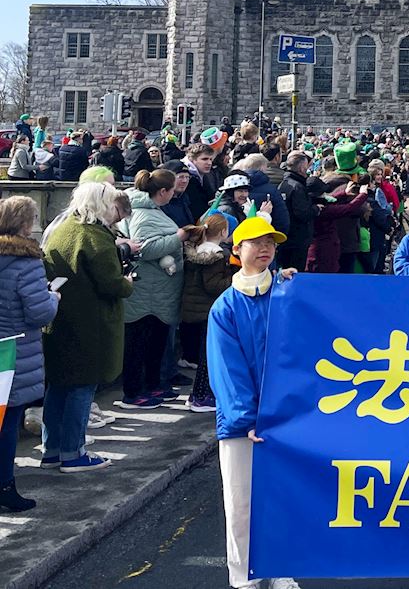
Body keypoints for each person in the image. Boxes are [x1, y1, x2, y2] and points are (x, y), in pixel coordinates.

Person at [206, 216, 302, 589]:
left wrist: (299, 287)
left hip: (286, 418)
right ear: (236, 250)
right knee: (242, 504)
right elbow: (227, 372)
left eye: (271, 243)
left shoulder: (287, 293)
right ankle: (243, 575)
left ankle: (279, 568)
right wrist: (248, 418)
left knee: (283, 497)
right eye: (255, 242)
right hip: (243, 424)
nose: (265, 249)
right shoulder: (225, 308)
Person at [40, 182, 132, 477]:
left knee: (58, 385)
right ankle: (73, 453)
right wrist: (128, 282)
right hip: (90, 323)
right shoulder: (95, 237)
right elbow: (112, 284)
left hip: (60, 319)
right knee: (83, 386)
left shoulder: (63, 228)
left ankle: (51, 450)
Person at [0, 196, 60, 510]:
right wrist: (53, 297)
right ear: (26, 224)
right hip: (12, 352)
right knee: (8, 421)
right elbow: (39, 313)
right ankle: (5, 487)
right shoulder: (26, 261)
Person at [117, 169, 188, 409]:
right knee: (140, 343)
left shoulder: (148, 210)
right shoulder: (144, 214)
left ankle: (153, 384)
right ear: (163, 192)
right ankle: (135, 391)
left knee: (155, 341)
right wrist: (178, 237)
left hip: (156, 291)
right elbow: (144, 249)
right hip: (147, 291)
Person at [179, 214, 235, 412]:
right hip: (208, 311)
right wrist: (234, 280)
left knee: (203, 355)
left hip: (194, 309)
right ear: (223, 232)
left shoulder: (197, 251)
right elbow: (213, 285)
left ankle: (196, 394)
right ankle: (203, 397)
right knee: (209, 357)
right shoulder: (217, 255)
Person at [277, 151, 316, 272]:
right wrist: (316, 209)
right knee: (295, 271)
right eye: (306, 167)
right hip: (298, 238)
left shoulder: (283, 183)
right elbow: (303, 213)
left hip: (287, 236)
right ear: (301, 168)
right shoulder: (297, 187)